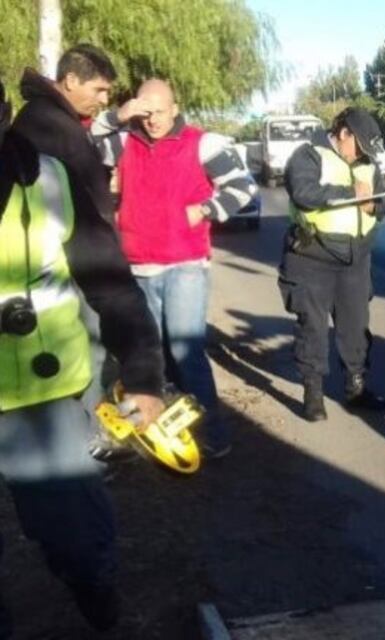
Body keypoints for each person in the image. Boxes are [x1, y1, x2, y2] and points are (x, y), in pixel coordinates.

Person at [0, 79, 165, 636]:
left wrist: (143, 374)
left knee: (78, 540)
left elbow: (112, 287)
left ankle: (97, 595)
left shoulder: (48, 179)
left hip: (42, 404)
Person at [90, 78, 258, 459]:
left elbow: (243, 187)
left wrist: (204, 210)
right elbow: (85, 146)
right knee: (146, 355)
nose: (151, 121)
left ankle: (213, 434)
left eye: (159, 112)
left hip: (185, 266)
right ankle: (151, 431)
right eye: (145, 112)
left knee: (186, 352)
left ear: (175, 108)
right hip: (138, 267)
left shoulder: (203, 143)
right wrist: (119, 116)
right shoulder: (124, 140)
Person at [12, 44, 129, 460]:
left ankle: (86, 434)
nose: (104, 99)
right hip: (73, 264)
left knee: (89, 351)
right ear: (71, 80)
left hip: (72, 259)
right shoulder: (50, 124)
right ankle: (88, 442)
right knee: (87, 352)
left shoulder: (55, 119)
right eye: (99, 90)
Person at [279, 107, 385, 422]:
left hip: (355, 259)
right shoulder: (308, 155)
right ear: (343, 133)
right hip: (313, 255)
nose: (363, 155)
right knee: (312, 327)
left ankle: (356, 388)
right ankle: (313, 394)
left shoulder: (367, 164)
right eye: (360, 146)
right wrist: (351, 194)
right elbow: (304, 193)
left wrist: (375, 204)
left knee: (356, 327)